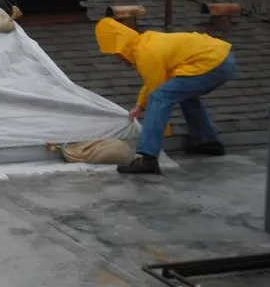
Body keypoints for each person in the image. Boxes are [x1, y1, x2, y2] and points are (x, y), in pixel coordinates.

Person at [95, 18, 237, 174]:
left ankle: (148, 158)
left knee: (159, 97)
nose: (117, 59)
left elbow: (156, 89)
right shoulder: (144, 43)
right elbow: (152, 82)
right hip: (221, 59)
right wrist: (139, 105)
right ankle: (207, 142)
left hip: (212, 62)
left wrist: (153, 117)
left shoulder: (145, 53)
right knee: (185, 95)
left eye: (115, 54)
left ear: (120, 49)